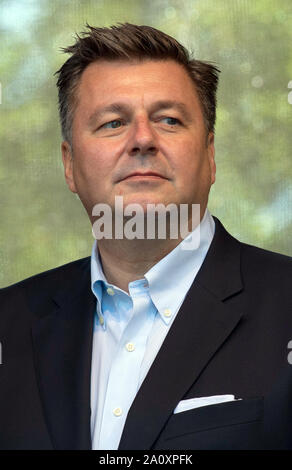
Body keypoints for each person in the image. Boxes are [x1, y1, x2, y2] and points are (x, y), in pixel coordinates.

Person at [0, 23, 291, 451]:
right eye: (113, 122)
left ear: (210, 156)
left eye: (169, 120)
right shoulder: (8, 323)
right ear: (69, 165)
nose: (142, 140)